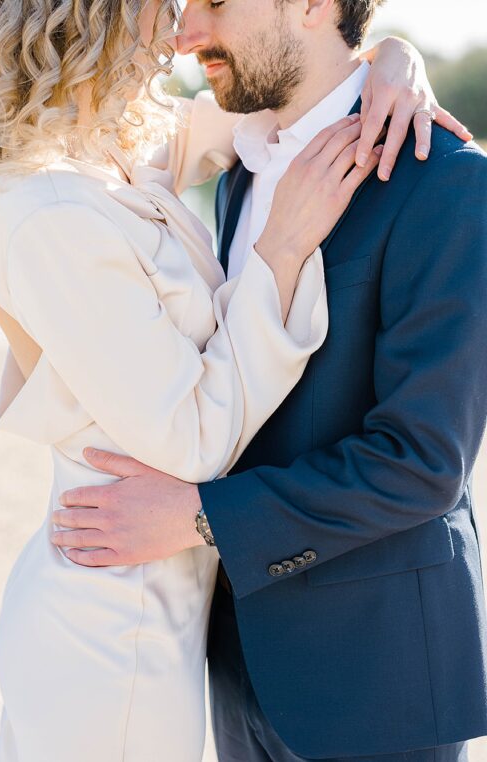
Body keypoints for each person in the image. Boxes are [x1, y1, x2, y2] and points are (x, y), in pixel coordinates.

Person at [51, 1, 487, 760]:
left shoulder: (446, 184)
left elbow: (424, 464)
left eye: (215, 2)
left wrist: (202, 517)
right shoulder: (236, 176)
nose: (186, 35)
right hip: (235, 664)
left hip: (374, 680)